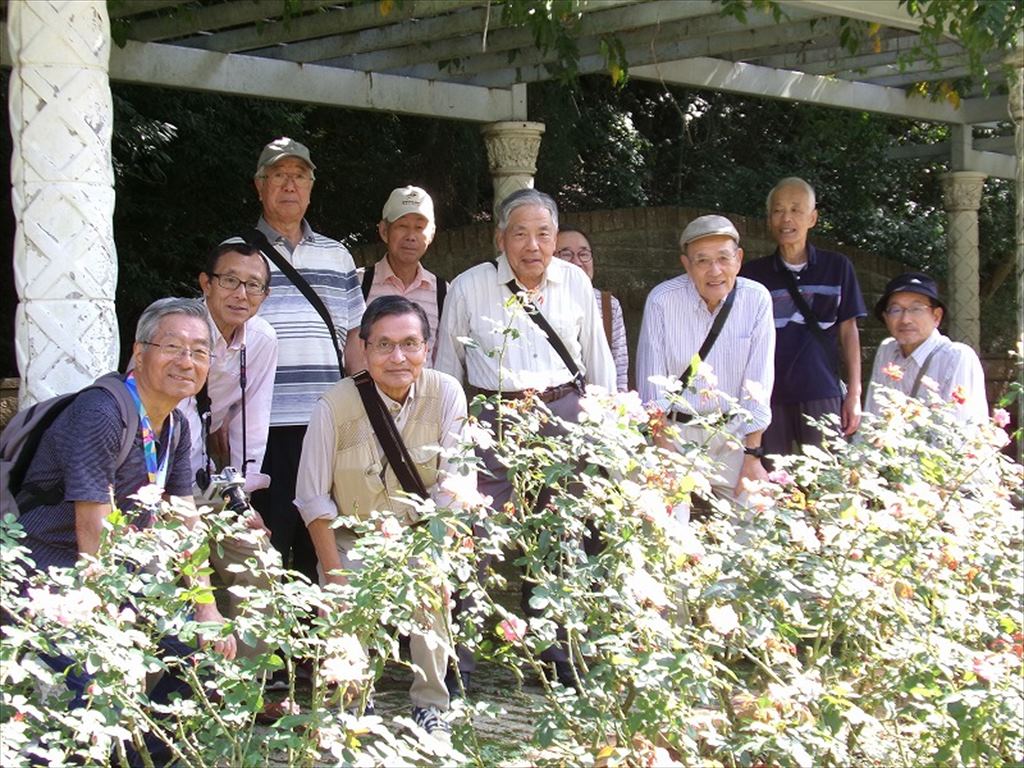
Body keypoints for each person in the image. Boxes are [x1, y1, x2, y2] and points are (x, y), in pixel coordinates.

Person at [15, 298, 236, 764]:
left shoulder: (176, 424)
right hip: (47, 574)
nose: (187, 361)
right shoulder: (102, 412)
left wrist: (206, 607)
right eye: (172, 347)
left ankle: (139, 760)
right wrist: (109, 624)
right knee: (93, 693)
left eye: (199, 351)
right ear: (139, 352)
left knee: (206, 658)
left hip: (118, 575)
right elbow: (92, 526)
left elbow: (184, 518)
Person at [435, 187, 616, 690]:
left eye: (543, 234)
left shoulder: (575, 281)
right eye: (520, 233)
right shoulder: (469, 286)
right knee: (475, 533)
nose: (532, 245)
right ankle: (460, 658)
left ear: (556, 238)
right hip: (491, 417)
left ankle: (555, 651)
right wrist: (450, 445)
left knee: (560, 534)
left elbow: (597, 360)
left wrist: (607, 432)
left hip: (564, 415)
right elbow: (447, 371)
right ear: (500, 239)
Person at [295, 296, 468, 740]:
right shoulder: (334, 405)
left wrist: (438, 560)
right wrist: (334, 577)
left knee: (432, 595)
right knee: (343, 607)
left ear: (426, 348)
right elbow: (312, 499)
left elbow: (453, 487)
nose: (398, 357)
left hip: (419, 537)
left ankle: (430, 706)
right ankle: (351, 704)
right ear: (364, 349)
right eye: (384, 345)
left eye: (410, 344)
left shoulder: (446, 393)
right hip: (352, 539)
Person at [249, 137, 366, 583]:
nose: (289, 185)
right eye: (278, 175)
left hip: (327, 422)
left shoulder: (337, 255)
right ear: (260, 186)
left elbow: (354, 340)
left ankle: (319, 628)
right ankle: (268, 627)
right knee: (267, 542)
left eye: (299, 176)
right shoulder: (239, 253)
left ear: (311, 187)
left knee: (325, 541)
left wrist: (364, 413)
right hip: (261, 427)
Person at [183, 237, 279, 661]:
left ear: (265, 294)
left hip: (212, 474)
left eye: (253, 285)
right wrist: (180, 499)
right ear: (206, 283)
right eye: (230, 281)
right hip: (153, 472)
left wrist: (243, 501)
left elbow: (251, 419)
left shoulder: (262, 339)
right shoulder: (178, 327)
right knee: (168, 568)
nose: (241, 293)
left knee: (259, 560)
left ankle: (249, 682)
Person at [636, 214, 775, 504]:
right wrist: (664, 451)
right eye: (702, 261)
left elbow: (759, 383)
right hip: (675, 433)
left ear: (739, 259)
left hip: (734, 436)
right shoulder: (662, 300)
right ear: (686, 264)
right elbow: (652, 390)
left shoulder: (756, 299)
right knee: (665, 523)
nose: (715, 270)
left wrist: (753, 455)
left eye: (724, 258)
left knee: (756, 515)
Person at [740, 177, 866, 453]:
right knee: (770, 474)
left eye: (796, 209)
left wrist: (854, 394)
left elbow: (849, 332)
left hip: (822, 391)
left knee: (827, 474)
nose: (786, 218)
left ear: (813, 218)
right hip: (768, 396)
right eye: (778, 210)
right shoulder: (752, 275)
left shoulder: (837, 267)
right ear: (769, 219)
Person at [865, 272, 988, 424]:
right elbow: (872, 415)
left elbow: (961, 429)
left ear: (936, 316)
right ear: (886, 317)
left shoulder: (957, 358)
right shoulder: (887, 350)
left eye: (916, 309)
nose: (905, 320)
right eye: (895, 310)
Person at [362, 186, 447, 358]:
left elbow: (444, 357)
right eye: (402, 226)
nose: (411, 236)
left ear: (431, 234)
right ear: (384, 231)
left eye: (419, 227)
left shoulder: (443, 292)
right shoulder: (359, 284)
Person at [556, 227, 629, 391]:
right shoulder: (540, 303)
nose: (577, 262)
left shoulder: (608, 305)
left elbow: (619, 369)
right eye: (566, 254)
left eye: (583, 254)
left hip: (599, 401)